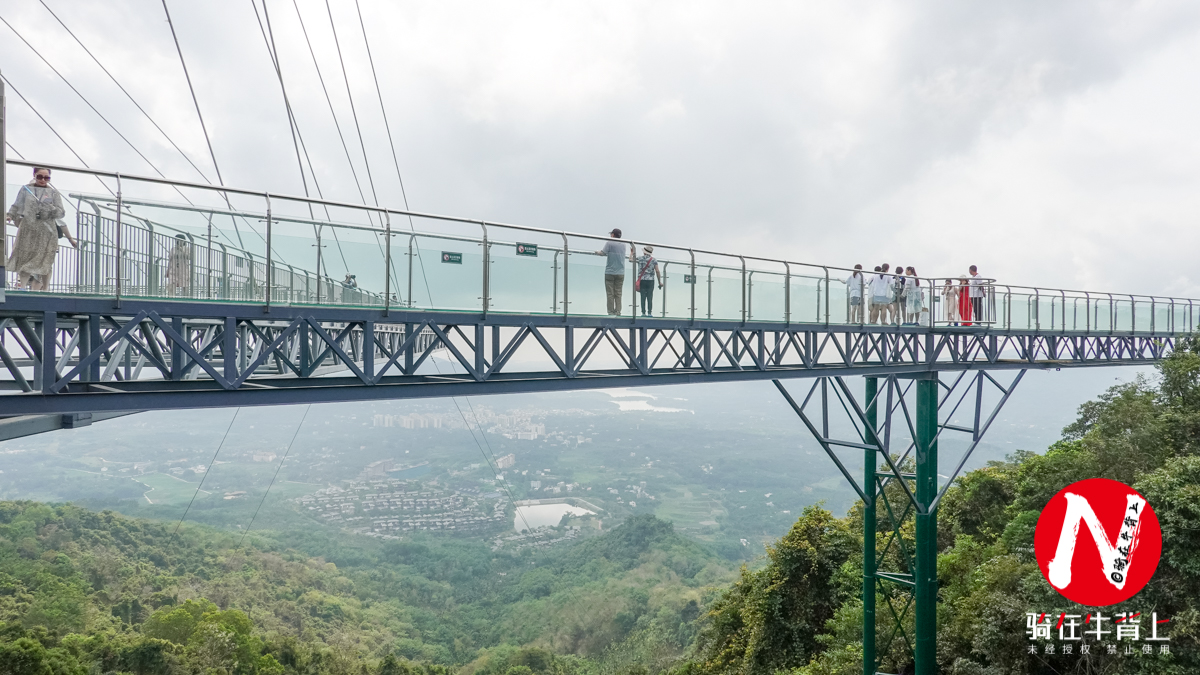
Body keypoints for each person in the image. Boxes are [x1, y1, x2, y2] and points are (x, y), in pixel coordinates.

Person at [5, 167, 76, 291]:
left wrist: (51, 208)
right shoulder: (26, 189)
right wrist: (10, 215)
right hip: (29, 228)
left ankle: (46, 289)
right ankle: (22, 288)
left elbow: (61, 213)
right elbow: (17, 204)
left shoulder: (54, 193)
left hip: (47, 230)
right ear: (34, 175)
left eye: (46, 177)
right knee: (25, 257)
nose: (43, 180)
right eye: (40, 177)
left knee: (46, 259)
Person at [595, 229, 629, 316]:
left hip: (610, 272)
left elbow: (603, 252)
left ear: (613, 235)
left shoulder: (609, 243)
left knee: (610, 294)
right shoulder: (624, 244)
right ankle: (618, 311)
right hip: (621, 272)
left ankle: (610, 312)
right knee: (618, 293)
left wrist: (596, 252)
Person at [634, 245, 662, 317]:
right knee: (650, 297)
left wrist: (631, 253)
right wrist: (659, 281)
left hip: (642, 280)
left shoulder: (640, 258)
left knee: (642, 296)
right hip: (650, 280)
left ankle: (643, 312)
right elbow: (657, 271)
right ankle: (649, 313)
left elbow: (631, 259)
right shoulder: (654, 260)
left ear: (644, 252)